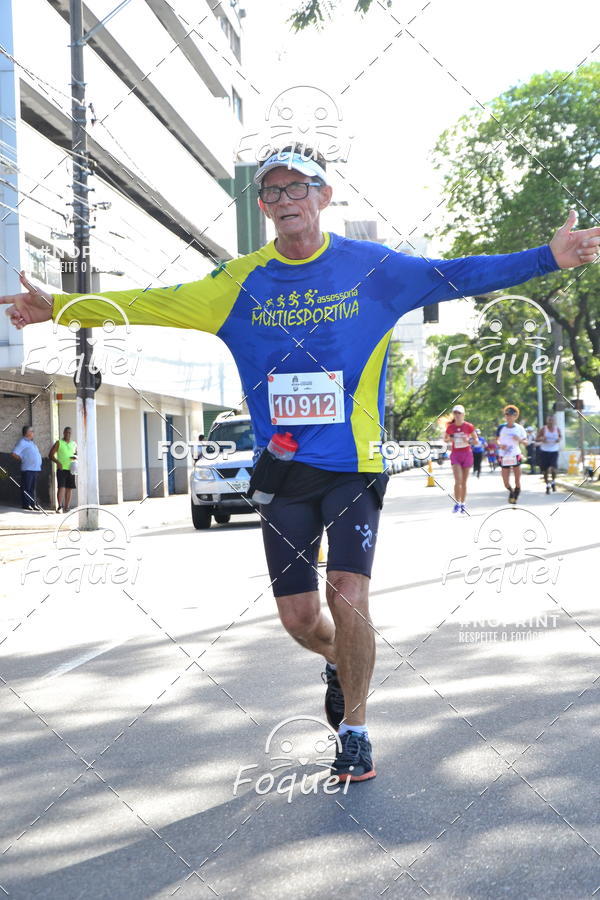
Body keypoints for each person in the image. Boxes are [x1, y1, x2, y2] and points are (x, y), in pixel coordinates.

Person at [2, 143, 599, 782]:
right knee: (300, 619)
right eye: (273, 191)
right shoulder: (236, 284)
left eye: (298, 188)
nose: (286, 199)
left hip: (354, 464)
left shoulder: (373, 269)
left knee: (347, 592)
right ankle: (341, 662)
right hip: (282, 472)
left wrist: (548, 257)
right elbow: (149, 302)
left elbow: (459, 273)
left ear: (324, 196)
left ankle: (356, 731)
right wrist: (58, 308)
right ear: (262, 206)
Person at [444, 405, 478, 512]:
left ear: (463, 414)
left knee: (463, 482)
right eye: (455, 413)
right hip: (456, 455)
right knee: (458, 480)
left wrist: (468, 440)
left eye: (459, 413)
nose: (457, 415)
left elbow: (476, 441)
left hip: (467, 454)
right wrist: (450, 439)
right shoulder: (450, 427)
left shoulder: (469, 426)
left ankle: (463, 504)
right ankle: (457, 503)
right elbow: (445, 439)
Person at [497, 405, 528, 504]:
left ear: (515, 416)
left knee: (517, 481)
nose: (508, 417)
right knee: (505, 482)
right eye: (506, 414)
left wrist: (519, 440)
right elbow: (496, 440)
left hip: (515, 455)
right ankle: (511, 491)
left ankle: (515, 496)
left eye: (511, 415)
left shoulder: (520, 428)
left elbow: (526, 443)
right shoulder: (501, 427)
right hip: (504, 456)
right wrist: (500, 445)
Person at [11, 424, 42, 510]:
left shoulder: (31, 443)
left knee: (32, 488)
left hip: (35, 469)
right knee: (26, 488)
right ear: (27, 433)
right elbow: (14, 453)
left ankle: (33, 504)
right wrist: (23, 459)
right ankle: (26, 504)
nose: (33, 433)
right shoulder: (22, 442)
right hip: (27, 469)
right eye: (32, 431)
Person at [49, 426, 77, 512]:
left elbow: (76, 454)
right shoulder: (59, 443)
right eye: (66, 432)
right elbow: (50, 455)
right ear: (63, 433)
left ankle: (67, 507)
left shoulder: (74, 444)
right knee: (61, 487)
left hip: (71, 469)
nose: (68, 434)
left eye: (70, 433)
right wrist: (58, 462)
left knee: (69, 488)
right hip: (61, 469)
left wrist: (75, 457)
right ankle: (59, 507)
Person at [537, 415, 562, 493]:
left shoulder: (557, 429)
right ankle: (547, 485)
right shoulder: (543, 429)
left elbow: (560, 437)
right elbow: (537, 438)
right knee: (545, 470)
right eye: (549, 420)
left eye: (552, 420)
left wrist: (558, 439)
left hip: (554, 451)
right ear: (547, 421)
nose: (551, 422)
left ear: (554, 421)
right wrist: (542, 439)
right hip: (544, 451)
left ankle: (553, 482)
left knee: (553, 468)